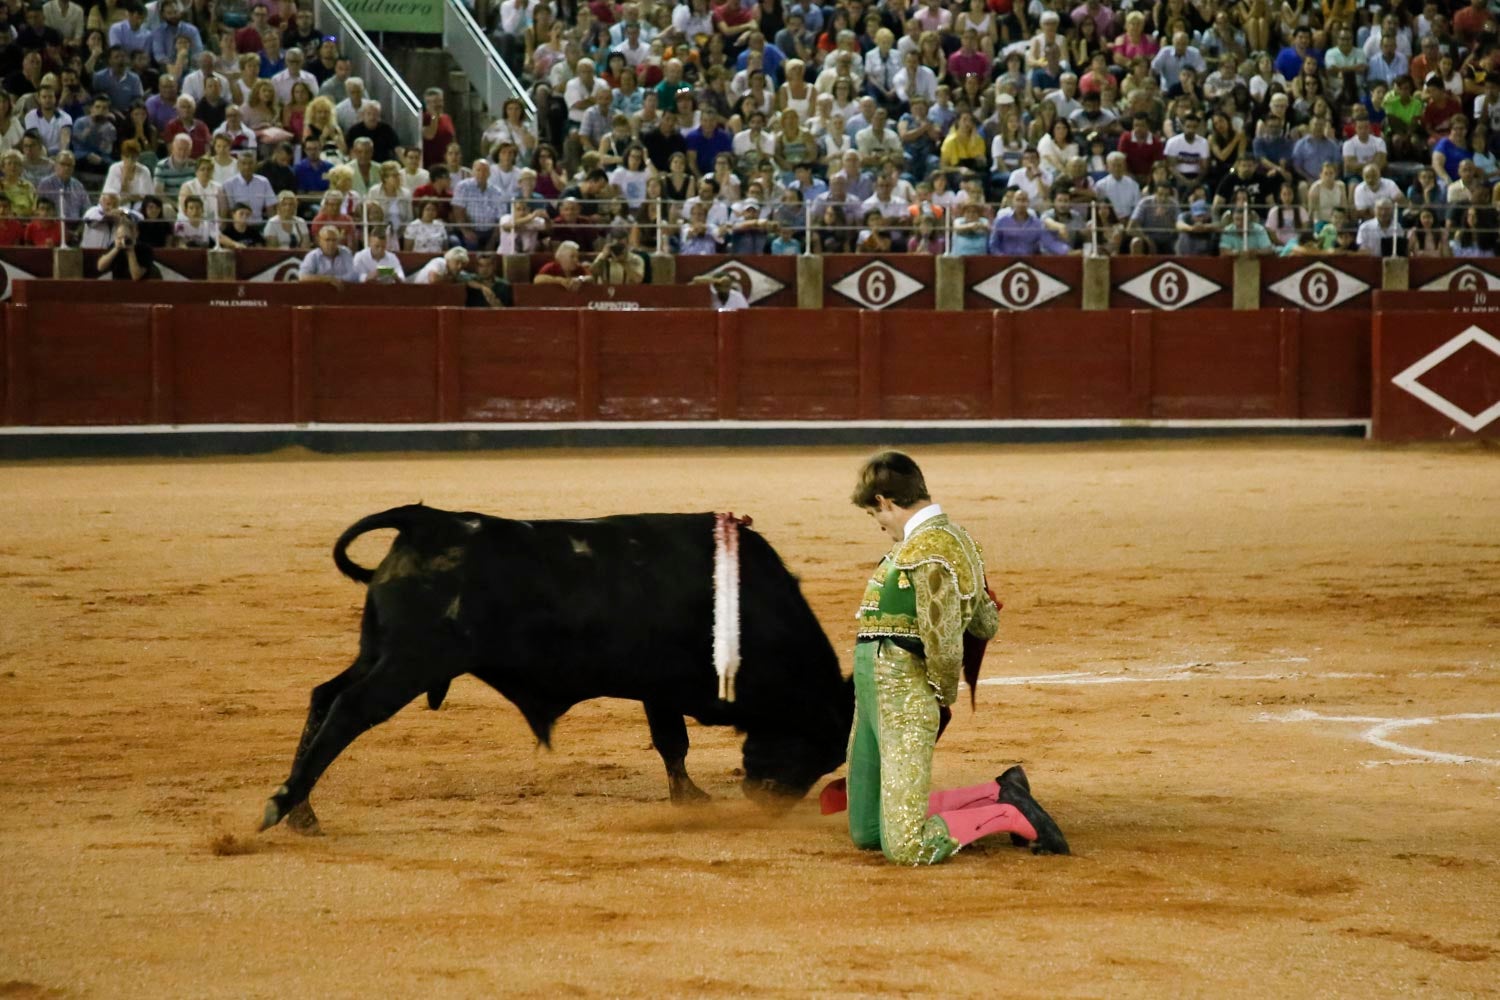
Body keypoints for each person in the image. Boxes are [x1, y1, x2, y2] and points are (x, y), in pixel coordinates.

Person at [842, 451, 1068, 866]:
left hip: (904, 695)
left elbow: (943, 641)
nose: (879, 525)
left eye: (877, 515)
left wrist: (940, 693)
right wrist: (975, 600)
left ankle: (1011, 813)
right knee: (866, 830)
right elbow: (986, 624)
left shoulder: (933, 551)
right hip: (872, 691)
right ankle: (996, 793)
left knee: (906, 847)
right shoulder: (952, 544)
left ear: (885, 501)